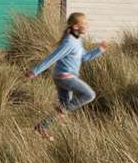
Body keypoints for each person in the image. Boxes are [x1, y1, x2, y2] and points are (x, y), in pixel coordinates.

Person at [25, 12, 106, 140]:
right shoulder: (69, 42)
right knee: (90, 95)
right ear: (75, 26)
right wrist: (35, 71)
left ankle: (42, 127)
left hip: (62, 78)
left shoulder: (77, 40)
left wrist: (99, 50)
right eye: (84, 23)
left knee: (63, 112)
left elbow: (84, 57)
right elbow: (52, 57)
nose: (87, 26)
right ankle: (61, 109)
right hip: (65, 77)